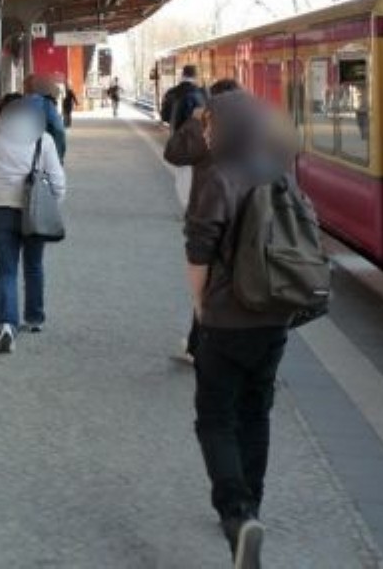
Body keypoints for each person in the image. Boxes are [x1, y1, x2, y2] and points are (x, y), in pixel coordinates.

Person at [184, 90, 292, 568]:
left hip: (227, 318)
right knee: (256, 412)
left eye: (210, 125)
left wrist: (200, 306)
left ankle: (237, 514)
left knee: (215, 418)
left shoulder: (219, 176)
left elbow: (199, 249)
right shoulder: (278, 170)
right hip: (274, 315)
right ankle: (254, 503)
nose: (206, 133)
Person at [164, 77, 241, 364]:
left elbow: (174, 153)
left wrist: (195, 121)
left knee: (208, 286)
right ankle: (199, 344)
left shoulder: (209, 129)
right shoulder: (259, 129)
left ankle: (205, 347)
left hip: (212, 216)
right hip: (251, 218)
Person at [0, 93, 66, 352]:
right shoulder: (44, 139)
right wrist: (52, 205)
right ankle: (34, 318)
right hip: (34, 212)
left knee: (6, 270)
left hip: (3, 211)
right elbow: (58, 181)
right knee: (34, 266)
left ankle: (7, 324)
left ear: (3, 113)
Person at [23, 73, 67, 161]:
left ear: (24, 87)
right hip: (42, 149)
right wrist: (60, 153)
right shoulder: (46, 105)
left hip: (23, 150)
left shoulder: (17, 104)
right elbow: (59, 129)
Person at [161, 64, 207, 132]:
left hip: (176, 133)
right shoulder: (201, 93)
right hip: (196, 134)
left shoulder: (171, 92)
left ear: (182, 75)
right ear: (196, 76)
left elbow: (164, 116)